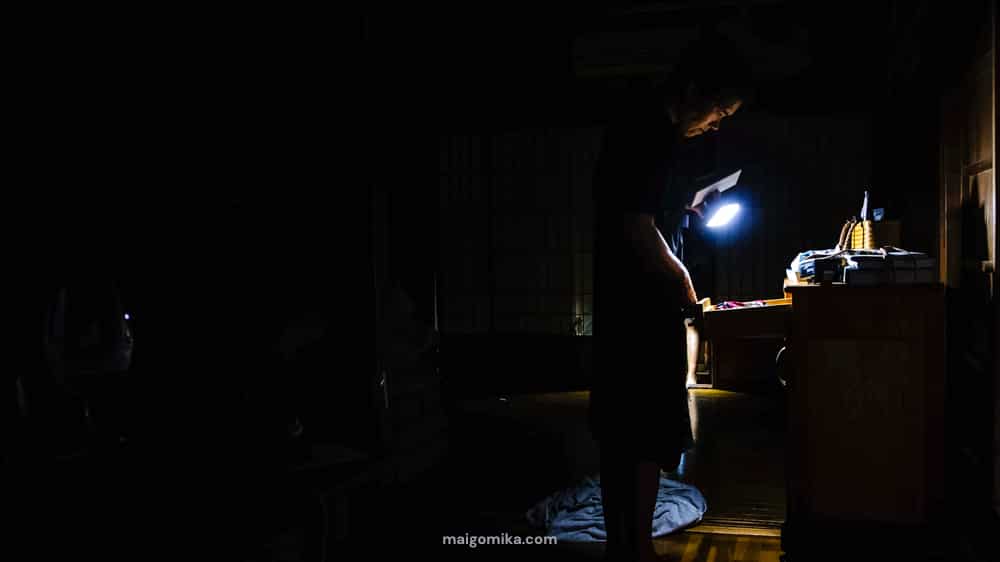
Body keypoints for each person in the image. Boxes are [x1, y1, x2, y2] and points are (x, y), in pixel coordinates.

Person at [589, 38, 749, 562]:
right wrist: (685, 284)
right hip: (635, 304)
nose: (718, 123)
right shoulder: (642, 131)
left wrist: (690, 206)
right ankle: (630, 545)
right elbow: (635, 227)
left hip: (642, 301)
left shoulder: (663, 136)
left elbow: (653, 207)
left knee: (642, 430)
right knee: (636, 429)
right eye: (718, 110)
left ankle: (630, 543)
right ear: (693, 91)